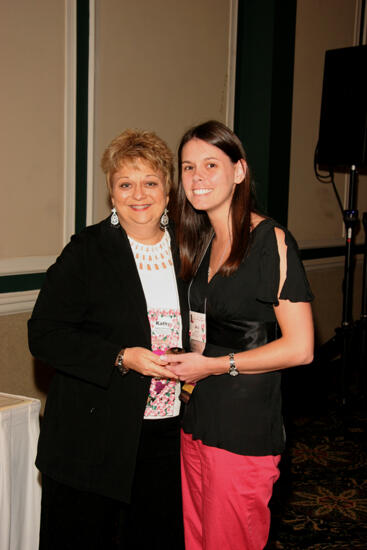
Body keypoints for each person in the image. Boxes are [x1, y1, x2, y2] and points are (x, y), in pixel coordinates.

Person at [28, 129, 188, 550]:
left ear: (167, 191)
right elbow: (44, 334)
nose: (139, 194)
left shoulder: (191, 251)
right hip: (92, 439)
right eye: (125, 184)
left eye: (150, 182)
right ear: (111, 195)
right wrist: (120, 356)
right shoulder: (87, 251)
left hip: (167, 436)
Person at [164, 120, 314, 550]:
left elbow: (301, 348)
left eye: (211, 164)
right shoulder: (202, 242)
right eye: (188, 167)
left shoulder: (271, 241)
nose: (197, 177)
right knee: (197, 541)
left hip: (243, 424)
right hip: (196, 416)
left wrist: (214, 365)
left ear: (239, 171)